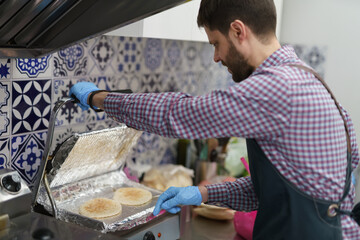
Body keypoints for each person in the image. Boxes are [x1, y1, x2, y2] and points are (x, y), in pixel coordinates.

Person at [69, 0, 360, 239]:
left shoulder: (276, 87)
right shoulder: (307, 78)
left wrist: (100, 98)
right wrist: (203, 192)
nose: (216, 57)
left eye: (215, 43)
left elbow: (177, 114)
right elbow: (275, 194)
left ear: (238, 31)